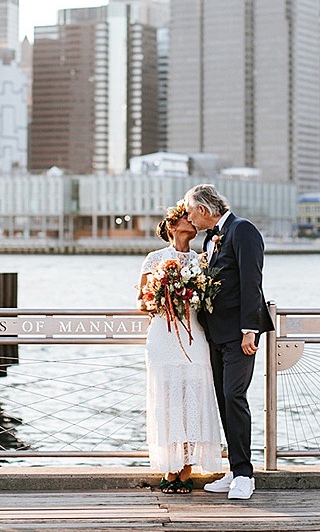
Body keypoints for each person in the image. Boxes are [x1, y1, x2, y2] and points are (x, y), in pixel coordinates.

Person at [184, 183, 274, 501]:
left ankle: (246, 476)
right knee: (223, 399)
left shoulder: (242, 230)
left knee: (235, 397)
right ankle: (234, 470)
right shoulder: (210, 240)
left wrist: (250, 329)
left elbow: (252, 281)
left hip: (239, 333)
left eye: (191, 211)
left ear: (205, 210)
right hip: (215, 333)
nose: (189, 217)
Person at [138, 202, 223, 494]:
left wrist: (189, 300)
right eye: (185, 217)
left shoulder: (202, 261)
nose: (191, 220)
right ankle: (169, 468)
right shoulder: (154, 259)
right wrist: (163, 297)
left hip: (194, 336)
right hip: (163, 335)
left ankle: (186, 469)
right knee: (167, 400)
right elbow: (141, 301)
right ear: (173, 226)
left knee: (192, 400)